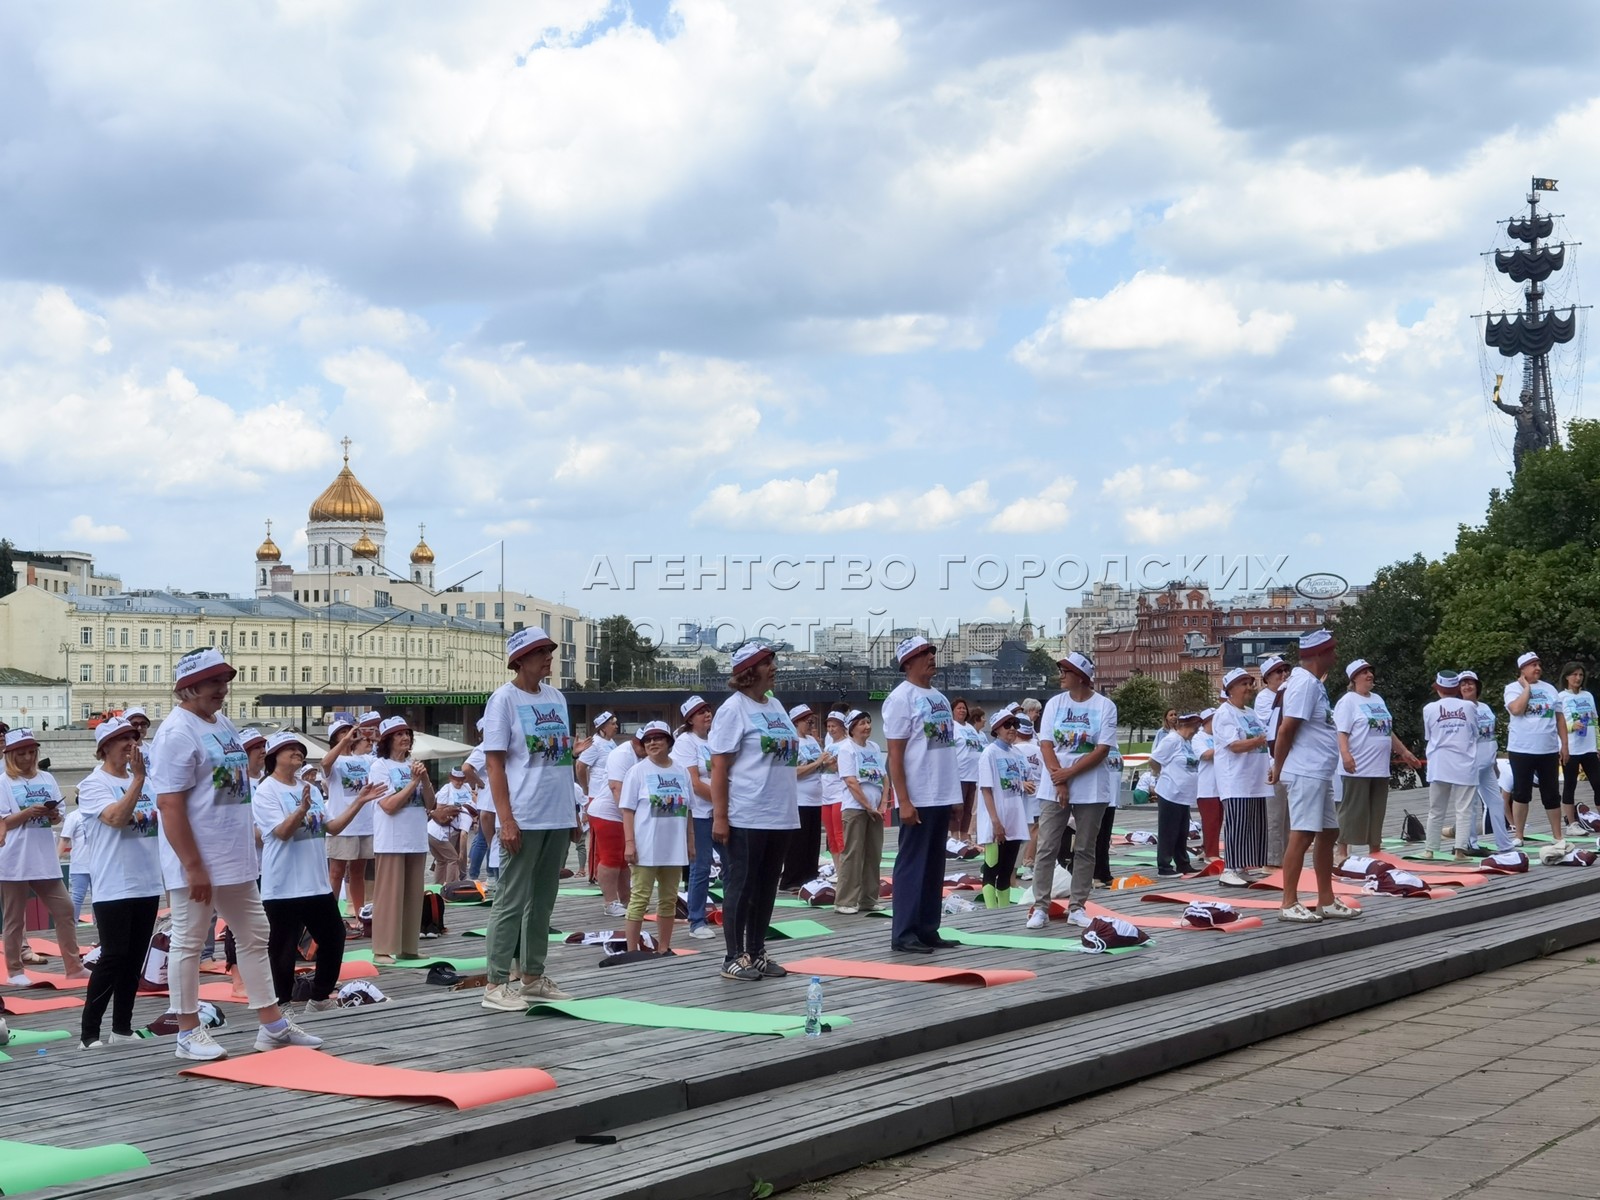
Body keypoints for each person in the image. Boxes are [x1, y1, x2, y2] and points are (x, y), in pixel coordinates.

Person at [151, 649, 319, 1059]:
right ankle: (187, 1031)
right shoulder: (177, 733)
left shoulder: (221, 724)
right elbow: (169, 805)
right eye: (213, 683)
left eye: (224, 681)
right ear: (188, 687)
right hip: (198, 860)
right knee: (189, 941)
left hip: (233, 855)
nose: (222, 690)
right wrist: (192, 866)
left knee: (255, 934)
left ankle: (272, 1025)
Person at [479, 626, 579, 1011]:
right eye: (540, 652)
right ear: (519, 659)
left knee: (544, 901)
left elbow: (562, 760)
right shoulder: (503, 700)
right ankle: (495, 983)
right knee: (510, 900)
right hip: (523, 814)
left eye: (550, 651)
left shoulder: (556, 698)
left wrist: (572, 812)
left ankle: (533, 976)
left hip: (555, 813)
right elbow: (494, 762)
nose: (548, 657)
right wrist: (506, 819)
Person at [254, 731, 376, 1011]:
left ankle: (319, 997)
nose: (298, 752)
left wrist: (359, 802)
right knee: (282, 949)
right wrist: (301, 810)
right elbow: (282, 833)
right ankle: (282, 1004)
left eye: (299, 749)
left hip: (316, 884)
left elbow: (331, 827)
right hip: (283, 885)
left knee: (334, 936)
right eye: (290, 749)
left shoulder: (308, 787)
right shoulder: (267, 790)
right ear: (275, 757)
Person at [709, 642, 800, 980]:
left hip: (780, 813)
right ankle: (733, 956)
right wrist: (720, 816)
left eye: (773, 660)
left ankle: (757, 950)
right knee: (741, 885)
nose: (774, 666)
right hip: (747, 812)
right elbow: (719, 767)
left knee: (766, 886)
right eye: (767, 662)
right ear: (749, 672)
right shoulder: (734, 710)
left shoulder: (774, 705)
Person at [75, 718, 162, 1048]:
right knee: (113, 957)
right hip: (114, 883)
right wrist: (138, 780)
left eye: (133, 737)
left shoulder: (147, 782)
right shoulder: (93, 784)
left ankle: (121, 1029)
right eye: (122, 739)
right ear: (104, 748)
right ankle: (89, 1034)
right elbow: (115, 818)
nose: (130, 743)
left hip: (147, 881)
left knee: (135, 959)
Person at [1269, 630, 1360, 924]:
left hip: (1319, 770)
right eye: (1332, 651)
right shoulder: (1304, 685)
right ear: (1319, 654)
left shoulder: (1312, 684)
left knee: (1328, 832)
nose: (1335, 656)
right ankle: (1288, 901)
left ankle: (1326, 899)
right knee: (1303, 833)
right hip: (1305, 770)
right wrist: (1278, 766)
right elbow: (1286, 729)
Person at [883, 637, 962, 953]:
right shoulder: (900, 699)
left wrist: (954, 796)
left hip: (941, 793)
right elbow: (895, 755)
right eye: (923, 654)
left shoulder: (940, 698)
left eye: (931, 652)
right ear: (908, 663)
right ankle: (904, 932)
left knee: (933, 866)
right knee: (912, 864)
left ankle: (929, 928)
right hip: (918, 795)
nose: (931, 657)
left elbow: (946, 751)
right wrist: (904, 799)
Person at [1031, 652, 1117, 930]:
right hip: (1054, 786)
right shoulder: (1055, 703)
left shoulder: (1105, 706)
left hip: (1091, 788)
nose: (1061, 677)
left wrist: (1069, 774)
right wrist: (1060, 780)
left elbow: (1102, 749)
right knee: (1047, 846)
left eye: (1065, 672)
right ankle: (1040, 906)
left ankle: (1077, 906)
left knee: (1084, 848)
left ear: (1080, 676)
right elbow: (1046, 744)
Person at [1, 729, 85, 987]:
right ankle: (15, 971)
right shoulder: (3, 782)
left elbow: (58, 815)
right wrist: (28, 812)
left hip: (44, 856)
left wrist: (51, 815)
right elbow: (5, 821)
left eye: (31, 752)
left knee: (65, 909)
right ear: (11, 755)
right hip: (13, 858)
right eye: (22, 753)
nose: (27, 757)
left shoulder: (47, 778)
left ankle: (74, 967)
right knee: (14, 918)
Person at [1333, 659, 1420, 855]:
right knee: (1353, 811)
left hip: (1379, 767)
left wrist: (1404, 752)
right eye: (1364, 672)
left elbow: (1387, 731)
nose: (1369, 675)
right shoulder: (1348, 701)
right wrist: (1345, 755)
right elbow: (1342, 732)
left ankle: (1375, 850)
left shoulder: (1378, 699)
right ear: (1354, 677)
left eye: (1370, 671)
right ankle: (1342, 852)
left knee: (1377, 811)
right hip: (1357, 766)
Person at [619, 721, 692, 955]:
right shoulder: (637, 771)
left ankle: (663, 947)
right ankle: (632, 951)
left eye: (658, 738)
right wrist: (629, 843)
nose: (652, 743)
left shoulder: (681, 771)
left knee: (669, 899)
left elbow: (688, 809)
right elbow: (627, 810)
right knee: (639, 899)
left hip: (673, 848)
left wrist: (690, 840)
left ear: (669, 742)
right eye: (648, 740)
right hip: (645, 847)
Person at [370, 715, 438, 965]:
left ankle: (408, 947)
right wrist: (412, 783)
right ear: (388, 740)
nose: (405, 738)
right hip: (391, 840)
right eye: (399, 734)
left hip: (416, 839)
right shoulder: (380, 766)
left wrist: (425, 779)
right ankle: (382, 949)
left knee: (412, 896)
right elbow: (388, 805)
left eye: (407, 734)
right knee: (389, 896)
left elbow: (431, 804)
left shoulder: (414, 764)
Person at [1214, 668, 1271, 888]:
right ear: (1230, 689)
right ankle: (1229, 868)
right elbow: (1234, 745)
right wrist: (1259, 741)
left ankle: (1242, 866)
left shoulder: (1250, 712)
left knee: (1252, 825)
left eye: (1249, 683)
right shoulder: (1224, 713)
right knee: (1237, 825)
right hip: (1235, 779)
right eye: (1244, 684)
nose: (1249, 688)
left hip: (1254, 779)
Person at [321, 714, 376, 935]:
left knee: (358, 872)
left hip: (365, 823)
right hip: (341, 824)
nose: (349, 735)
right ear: (335, 738)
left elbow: (380, 759)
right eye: (343, 732)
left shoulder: (364, 759)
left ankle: (360, 916)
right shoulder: (335, 761)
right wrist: (344, 742)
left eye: (349, 731)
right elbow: (324, 763)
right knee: (335, 872)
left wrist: (372, 737)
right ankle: (330, 918)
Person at [1504, 651, 1565, 845]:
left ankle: (1557, 836)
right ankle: (1519, 835)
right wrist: (1526, 689)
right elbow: (1516, 709)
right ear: (1522, 669)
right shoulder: (1512, 688)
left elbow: (1559, 718)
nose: (1537, 668)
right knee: (1521, 793)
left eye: (1538, 664)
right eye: (1532, 665)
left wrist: (1565, 745)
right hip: (1521, 749)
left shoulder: (1550, 689)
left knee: (1552, 794)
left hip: (1548, 749)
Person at [1421, 673, 1483, 862]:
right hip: (1464, 762)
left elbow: (1428, 735)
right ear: (1457, 689)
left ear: (1439, 689)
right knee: (1464, 810)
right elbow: (1475, 732)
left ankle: (1429, 850)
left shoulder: (1429, 708)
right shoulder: (1469, 706)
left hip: (1440, 763)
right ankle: (1460, 851)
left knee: (1436, 809)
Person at [834, 710, 891, 914]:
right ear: (852, 728)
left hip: (876, 809)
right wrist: (868, 806)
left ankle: (869, 898)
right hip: (855, 808)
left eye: (868, 722)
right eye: (861, 724)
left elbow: (884, 778)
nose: (867, 726)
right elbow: (851, 781)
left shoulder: (874, 747)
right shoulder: (846, 749)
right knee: (853, 854)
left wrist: (883, 802)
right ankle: (846, 901)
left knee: (873, 854)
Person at [671, 696, 717, 940]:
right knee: (701, 866)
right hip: (699, 812)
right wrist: (723, 803)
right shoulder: (685, 742)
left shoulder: (716, 739)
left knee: (733, 864)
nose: (707, 715)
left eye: (708, 710)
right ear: (690, 719)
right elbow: (695, 783)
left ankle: (731, 914)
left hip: (723, 811)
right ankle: (696, 920)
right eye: (701, 712)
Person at [976, 710, 1032, 908]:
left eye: (1015, 725)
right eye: (1007, 725)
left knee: (1008, 868)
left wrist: (1026, 784)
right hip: (996, 819)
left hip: (1015, 819)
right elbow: (986, 789)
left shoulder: (1018, 754)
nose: (1012, 729)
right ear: (996, 729)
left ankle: (1004, 909)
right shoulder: (989, 754)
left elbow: (1027, 779)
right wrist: (995, 821)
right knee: (992, 867)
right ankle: (991, 911)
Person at [1459, 671, 1515, 853]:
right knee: (1471, 805)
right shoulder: (1459, 709)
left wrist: (1494, 761)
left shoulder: (1484, 707)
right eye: (1463, 684)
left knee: (1497, 803)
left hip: (1488, 765)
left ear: (1477, 686)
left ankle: (1504, 843)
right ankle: (1470, 843)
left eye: (1470, 683)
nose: (1467, 687)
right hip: (1470, 765)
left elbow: (1490, 737)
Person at [779, 705, 833, 890]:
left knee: (812, 841)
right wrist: (818, 762)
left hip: (816, 797)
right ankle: (791, 880)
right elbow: (792, 771)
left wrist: (826, 763)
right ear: (796, 722)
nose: (810, 724)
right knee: (798, 843)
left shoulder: (811, 740)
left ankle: (810, 877)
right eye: (807, 721)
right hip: (799, 799)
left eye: (812, 720)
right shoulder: (792, 741)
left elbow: (818, 767)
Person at [579, 713, 627, 916]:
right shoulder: (596, 744)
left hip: (609, 796)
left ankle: (623, 894)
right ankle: (595, 876)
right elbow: (580, 766)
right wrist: (585, 789)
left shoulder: (611, 744)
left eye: (616, 723)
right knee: (600, 847)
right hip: (598, 796)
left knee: (617, 849)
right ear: (602, 727)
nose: (616, 726)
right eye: (613, 724)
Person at [604, 728, 647, 918]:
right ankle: (609, 902)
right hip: (608, 812)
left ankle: (627, 900)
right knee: (611, 858)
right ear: (636, 743)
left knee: (623, 861)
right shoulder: (621, 755)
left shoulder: (643, 756)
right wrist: (631, 820)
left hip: (628, 814)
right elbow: (616, 789)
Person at [1153, 712, 1201, 879]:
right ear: (1185, 725)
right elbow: (1155, 759)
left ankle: (1183, 862)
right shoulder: (1171, 740)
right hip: (1170, 791)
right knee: (1168, 830)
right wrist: (1162, 775)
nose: (1196, 730)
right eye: (1195, 726)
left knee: (1182, 830)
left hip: (1183, 794)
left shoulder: (1188, 742)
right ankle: (1164, 866)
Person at [1254, 656, 1292, 868]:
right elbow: (1276, 726)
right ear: (1267, 677)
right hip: (1272, 761)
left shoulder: (1283, 695)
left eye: (1285, 671)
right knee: (1274, 816)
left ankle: (1285, 859)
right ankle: (1271, 861)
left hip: (1287, 761)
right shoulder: (1265, 698)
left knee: (1287, 817)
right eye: (1278, 672)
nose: (1283, 675)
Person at [1557, 662, 1599, 833]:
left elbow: (1595, 720)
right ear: (1566, 676)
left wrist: (1598, 744)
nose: (1578, 678)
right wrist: (1571, 726)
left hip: (1589, 748)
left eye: (1580, 675)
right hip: (1571, 748)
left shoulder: (1588, 695)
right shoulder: (1561, 697)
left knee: (1598, 783)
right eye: (1574, 675)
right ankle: (1571, 824)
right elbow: (1556, 724)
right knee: (1570, 784)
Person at [429, 768, 474, 885]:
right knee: (453, 858)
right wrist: (462, 855)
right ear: (451, 778)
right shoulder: (446, 789)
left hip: (435, 830)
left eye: (461, 780)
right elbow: (439, 811)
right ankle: (451, 886)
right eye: (456, 780)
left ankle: (438, 886)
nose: (459, 783)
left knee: (442, 860)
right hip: (444, 829)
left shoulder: (467, 788)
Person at [819, 710, 849, 874]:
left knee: (839, 834)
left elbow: (840, 768)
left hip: (840, 794)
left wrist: (828, 763)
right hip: (826, 795)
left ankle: (845, 871)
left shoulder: (847, 745)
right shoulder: (829, 746)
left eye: (834, 726)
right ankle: (838, 870)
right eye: (829, 726)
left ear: (843, 727)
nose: (831, 729)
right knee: (831, 837)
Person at [951, 696, 984, 842]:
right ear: (952, 710)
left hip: (973, 773)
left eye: (964, 708)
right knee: (957, 807)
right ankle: (954, 836)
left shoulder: (970, 728)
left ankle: (964, 835)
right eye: (959, 708)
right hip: (959, 773)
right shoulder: (951, 726)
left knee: (969, 807)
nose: (962, 710)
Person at [57, 799, 92, 925]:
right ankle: (72, 925)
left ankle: (100, 927)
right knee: (77, 897)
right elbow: (64, 839)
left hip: (99, 864)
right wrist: (57, 859)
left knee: (99, 898)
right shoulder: (74, 816)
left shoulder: (99, 813)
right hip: (80, 863)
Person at [1194, 709, 1220, 863]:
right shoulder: (1199, 737)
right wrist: (1226, 748)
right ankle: (1211, 853)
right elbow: (1205, 754)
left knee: (1217, 821)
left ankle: (1209, 850)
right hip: (1207, 787)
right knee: (1210, 822)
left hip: (1221, 785)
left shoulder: (1219, 736)